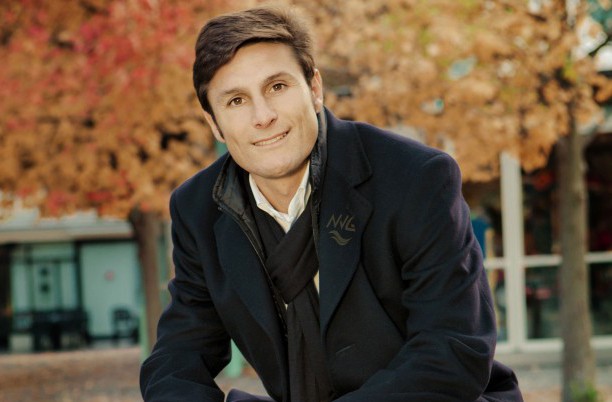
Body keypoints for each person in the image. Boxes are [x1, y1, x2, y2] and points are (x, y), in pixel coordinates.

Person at [140, 6, 523, 402]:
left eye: (277, 87)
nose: (263, 116)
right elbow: (177, 358)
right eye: (236, 101)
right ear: (214, 124)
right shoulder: (198, 209)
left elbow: (452, 350)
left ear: (315, 89)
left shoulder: (415, 178)